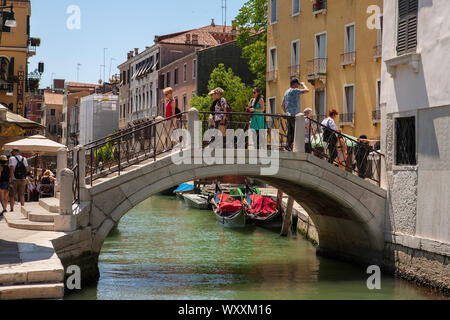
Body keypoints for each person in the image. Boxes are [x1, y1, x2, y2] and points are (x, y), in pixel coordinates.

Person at [281, 78, 310, 151]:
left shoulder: (286, 92)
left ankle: (288, 146)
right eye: (298, 84)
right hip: (295, 115)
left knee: (290, 132)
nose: (298, 86)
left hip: (288, 115)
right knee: (296, 132)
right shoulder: (295, 90)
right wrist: (303, 84)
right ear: (294, 84)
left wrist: (287, 111)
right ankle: (295, 148)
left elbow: (282, 105)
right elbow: (307, 90)